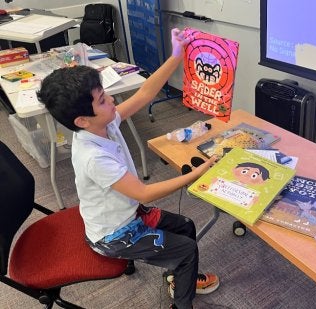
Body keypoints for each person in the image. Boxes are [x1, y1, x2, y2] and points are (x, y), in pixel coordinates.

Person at [37, 28, 219, 309]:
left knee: (186, 226)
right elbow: (144, 193)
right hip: (115, 235)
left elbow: (145, 92)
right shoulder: (93, 156)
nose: (111, 100)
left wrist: (176, 55)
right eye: (102, 100)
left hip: (129, 213)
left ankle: (178, 276)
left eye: (105, 94)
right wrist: (196, 174)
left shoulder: (103, 123)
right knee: (186, 250)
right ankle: (183, 305)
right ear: (83, 120)